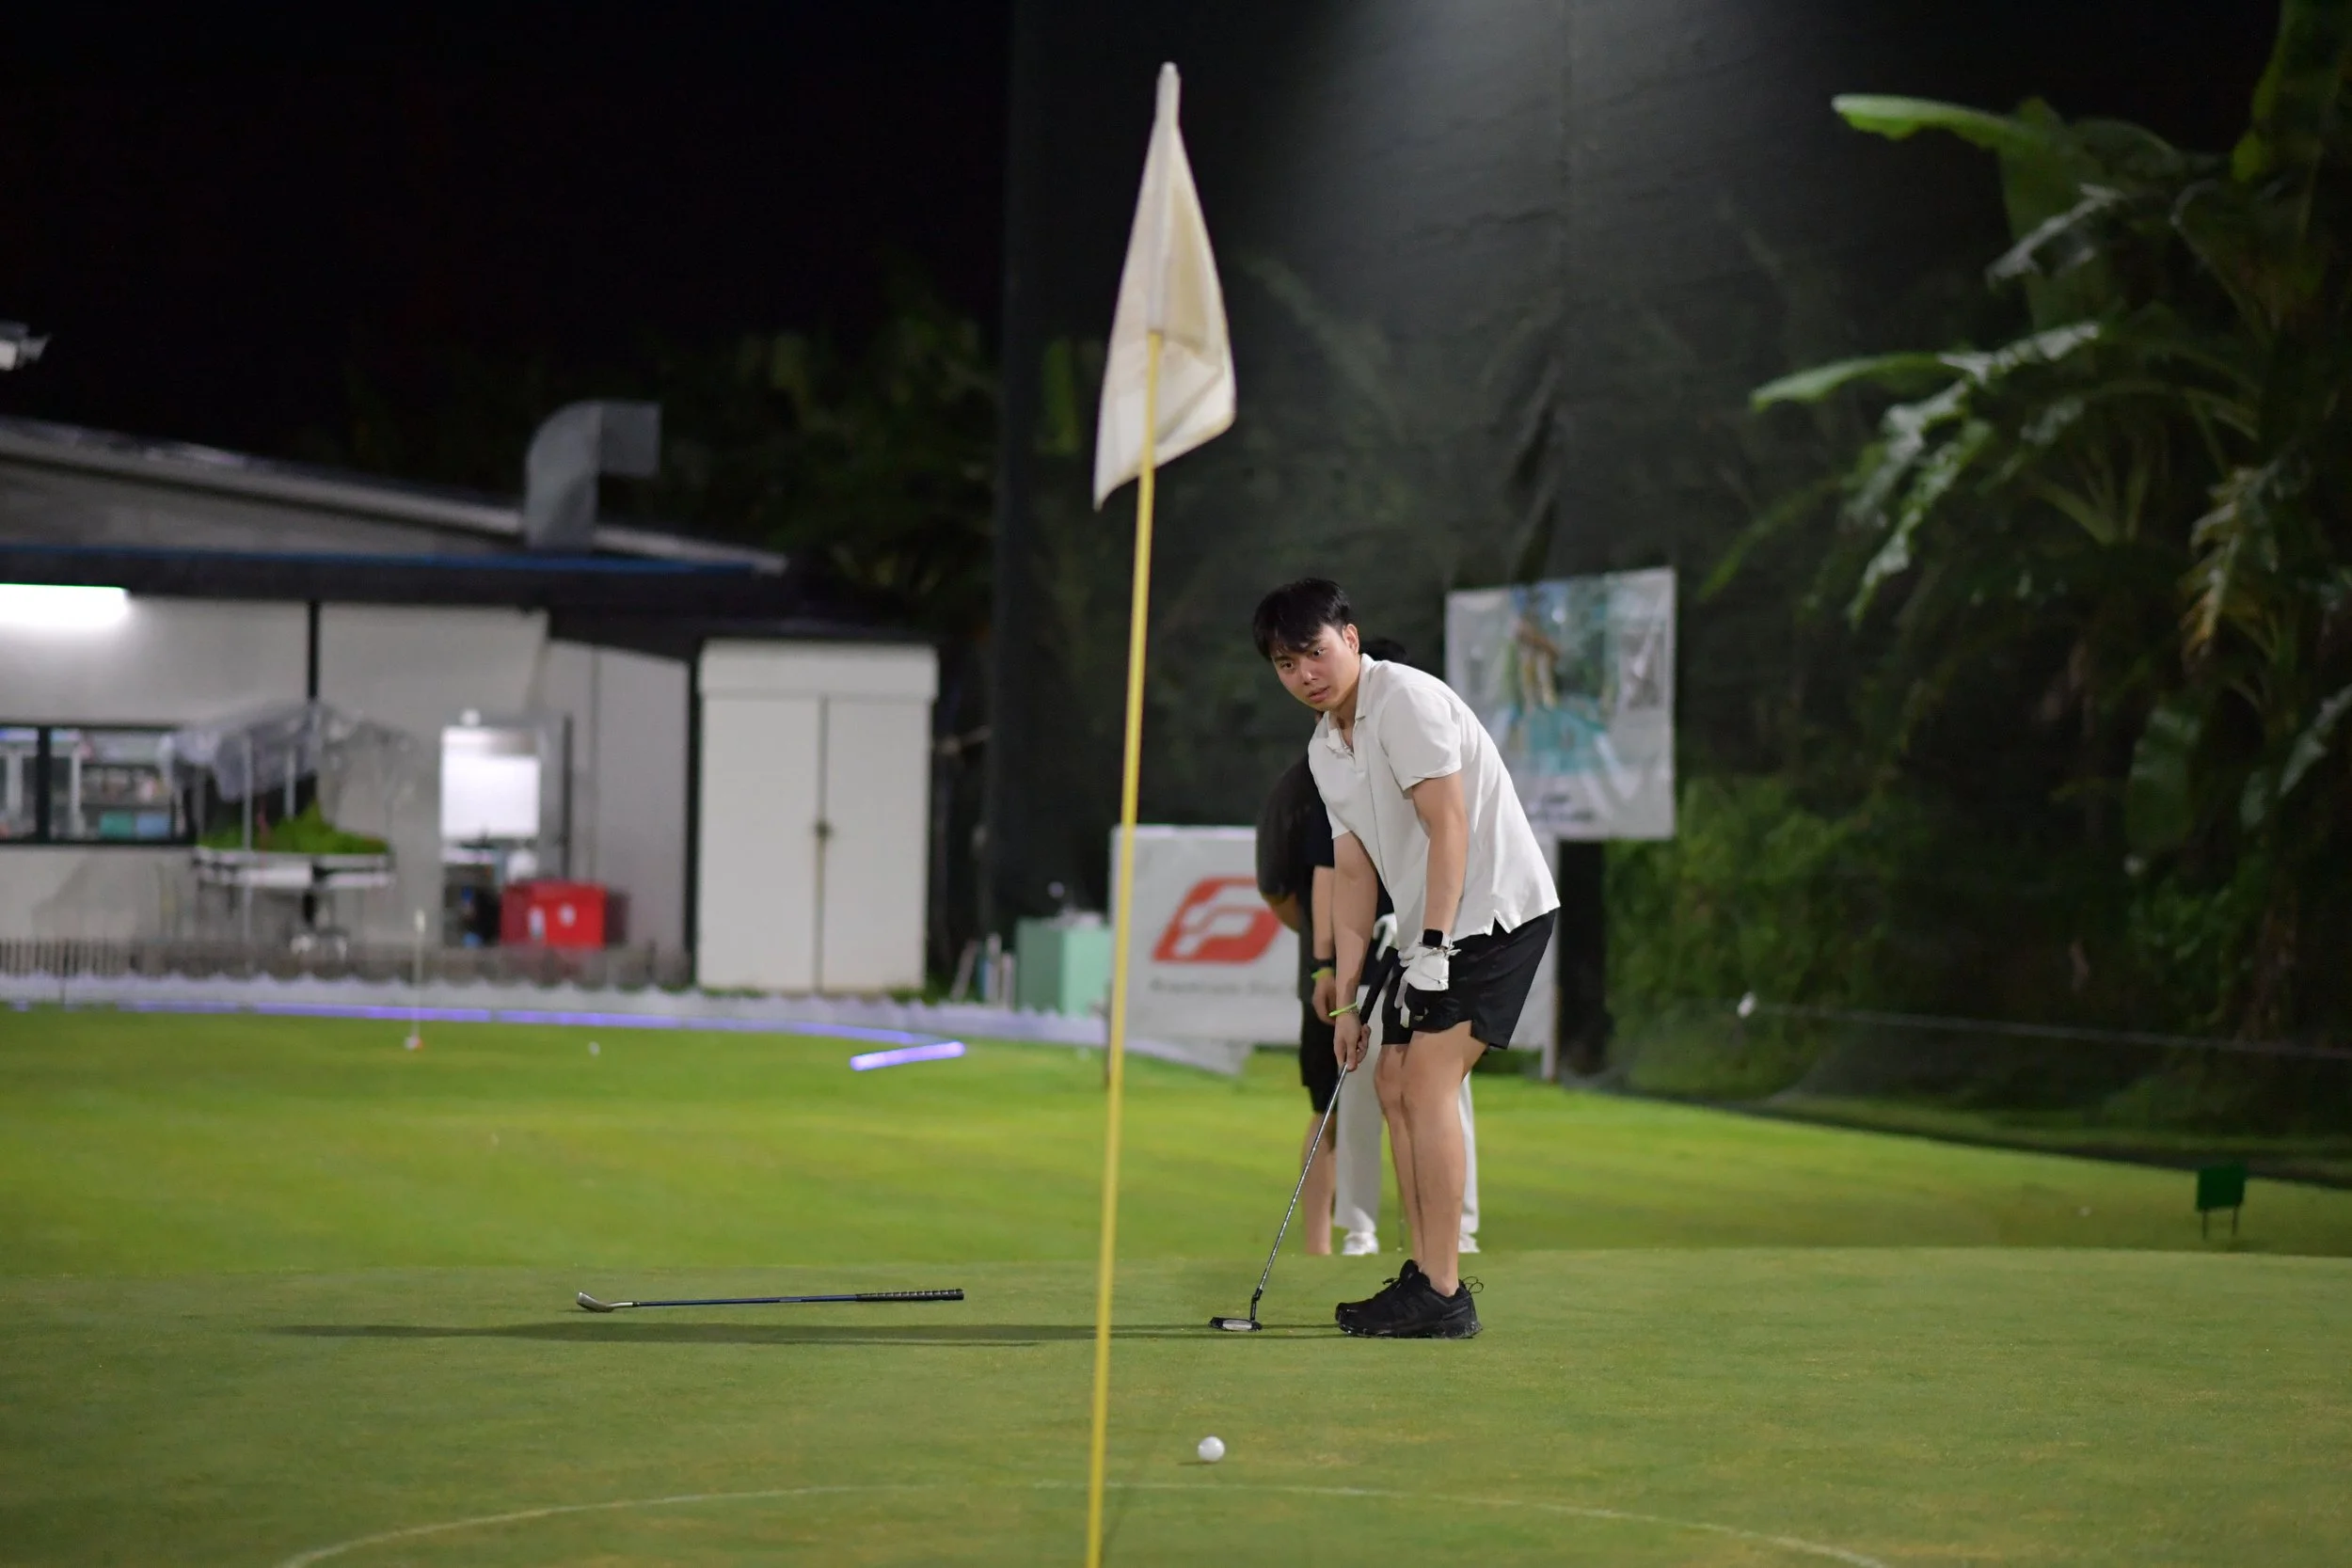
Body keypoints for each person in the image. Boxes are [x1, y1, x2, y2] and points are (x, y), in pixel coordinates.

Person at [1254, 578, 1557, 1339]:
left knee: (1424, 1085)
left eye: (1315, 652)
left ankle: (1446, 1290)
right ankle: (1424, 1275)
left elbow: (1449, 824)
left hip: (1495, 912)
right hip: (1435, 925)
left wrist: (1431, 947)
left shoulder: (1407, 702)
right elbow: (1354, 873)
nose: (1306, 675)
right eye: (1287, 665)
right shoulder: (1327, 746)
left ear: (1350, 638)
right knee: (1389, 1080)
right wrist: (1352, 1000)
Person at [1254, 756, 1342, 1251]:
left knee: (1408, 1105)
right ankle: (1319, 1248)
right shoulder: (1302, 784)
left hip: (1408, 964)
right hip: (1328, 980)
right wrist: (1321, 950)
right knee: (1326, 1107)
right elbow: (1277, 888)